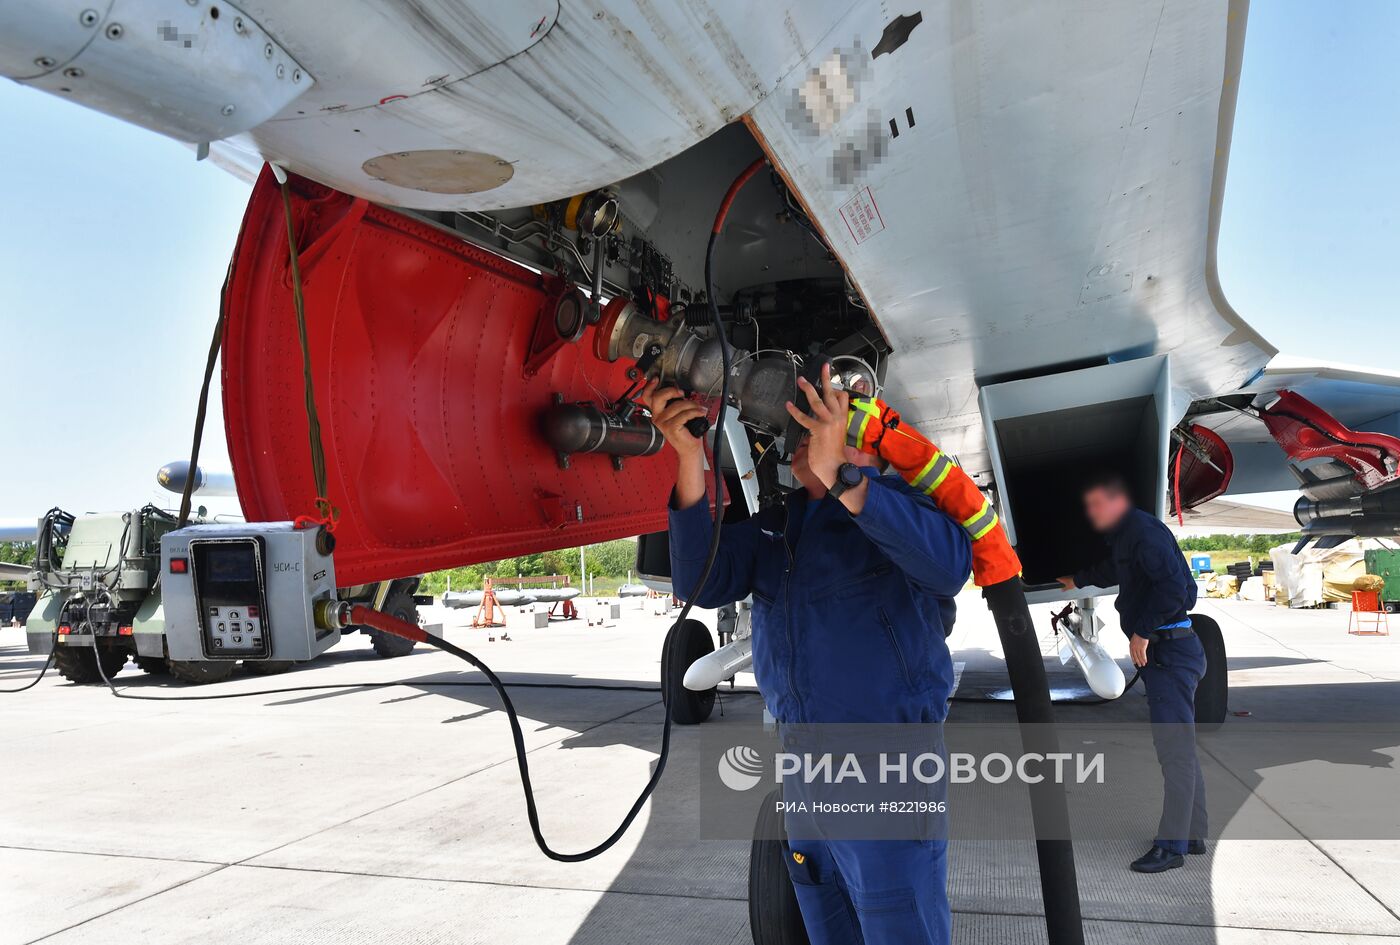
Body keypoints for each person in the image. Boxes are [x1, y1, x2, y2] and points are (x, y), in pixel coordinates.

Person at [643, 364, 971, 945]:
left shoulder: (899, 507)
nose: (797, 441)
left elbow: (949, 569)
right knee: (827, 928)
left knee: (901, 928)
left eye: (814, 424)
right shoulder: (780, 528)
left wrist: (846, 479)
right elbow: (700, 582)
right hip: (803, 772)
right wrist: (689, 459)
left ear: (860, 437)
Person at [1057, 472, 1208, 874]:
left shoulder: (1143, 532)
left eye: (1096, 507)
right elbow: (1117, 570)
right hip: (1171, 654)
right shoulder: (1128, 534)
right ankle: (1192, 834)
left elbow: (1174, 588)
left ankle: (1172, 846)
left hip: (1169, 654)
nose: (1092, 515)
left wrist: (1141, 633)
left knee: (1174, 753)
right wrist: (1079, 580)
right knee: (1182, 751)